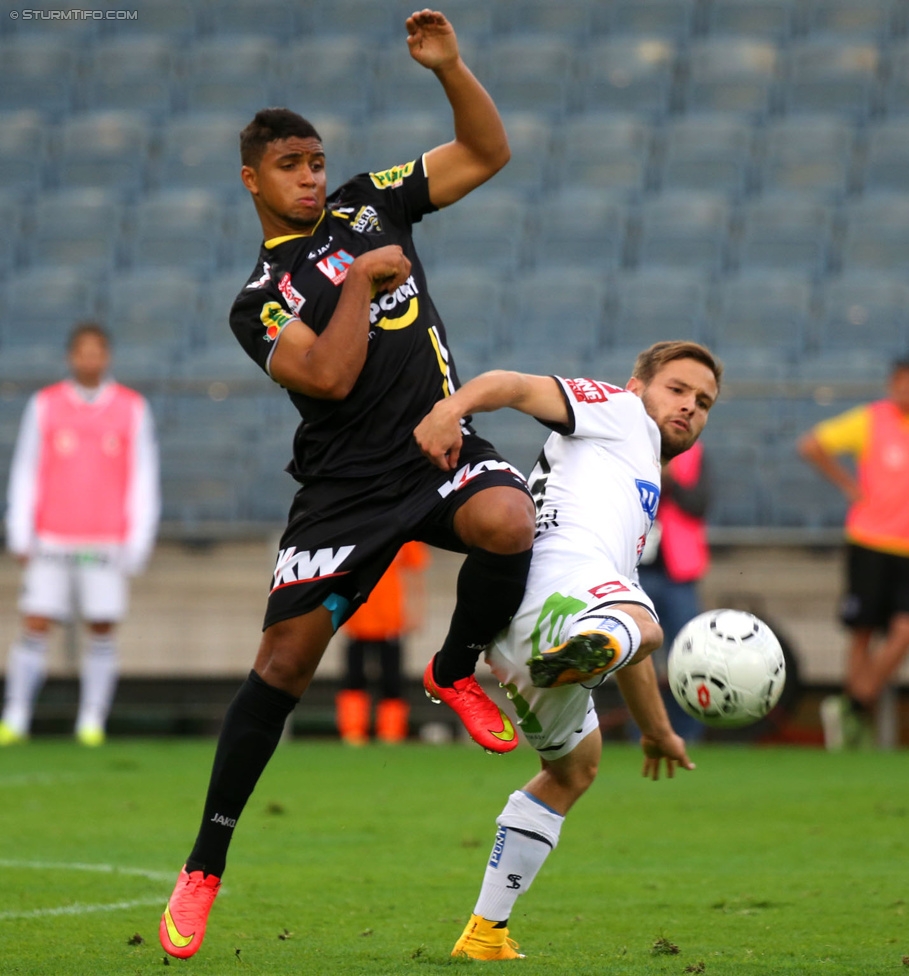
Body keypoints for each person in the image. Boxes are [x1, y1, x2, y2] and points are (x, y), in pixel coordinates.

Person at [159, 10, 536, 960]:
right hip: (344, 491)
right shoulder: (259, 300)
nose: (313, 178)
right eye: (292, 166)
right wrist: (364, 283)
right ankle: (206, 862)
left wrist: (450, 69)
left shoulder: (376, 203)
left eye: (318, 162)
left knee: (510, 519)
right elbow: (325, 379)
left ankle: (452, 669)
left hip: (435, 449)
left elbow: (487, 152)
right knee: (284, 669)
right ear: (253, 178)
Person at [412, 341, 721, 960]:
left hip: (519, 634)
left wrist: (657, 731)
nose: (689, 407)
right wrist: (454, 409)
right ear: (638, 387)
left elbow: (627, 650)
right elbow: (515, 384)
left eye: (704, 402)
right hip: (560, 583)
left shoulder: (635, 473)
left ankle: (484, 934)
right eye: (678, 389)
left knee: (574, 769)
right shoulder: (619, 411)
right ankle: (585, 648)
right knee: (645, 622)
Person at [798, 358, 909, 750]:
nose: (907, 392)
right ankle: (854, 727)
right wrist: (847, 484)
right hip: (870, 539)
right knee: (861, 632)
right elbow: (811, 444)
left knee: (907, 629)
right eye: (901, 384)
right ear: (892, 385)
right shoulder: (872, 419)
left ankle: (854, 704)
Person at [0, 322, 160, 748]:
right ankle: (15, 717)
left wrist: (139, 538)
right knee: (35, 622)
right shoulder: (45, 405)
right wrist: (20, 528)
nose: (90, 359)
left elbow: (143, 477)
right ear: (72, 357)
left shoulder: (131, 408)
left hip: (104, 540)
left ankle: (91, 721)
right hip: (53, 536)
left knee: (102, 627)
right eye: (83, 352)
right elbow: (27, 469)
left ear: (106, 356)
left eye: (98, 351)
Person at [637, 439, 710, 743]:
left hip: (678, 574)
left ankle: (689, 734)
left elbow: (699, 504)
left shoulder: (695, 454)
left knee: (688, 658)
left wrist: (671, 481)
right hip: (636, 573)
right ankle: (642, 733)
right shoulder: (628, 447)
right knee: (637, 658)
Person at [336, 540, 429, 745]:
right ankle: (352, 732)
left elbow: (415, 573)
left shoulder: (405, 535)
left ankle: (391, 733)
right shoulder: (356, 532)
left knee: (392, 680)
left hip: (391, 622)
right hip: (357, 621)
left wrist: (416, 611)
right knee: (353, 678)